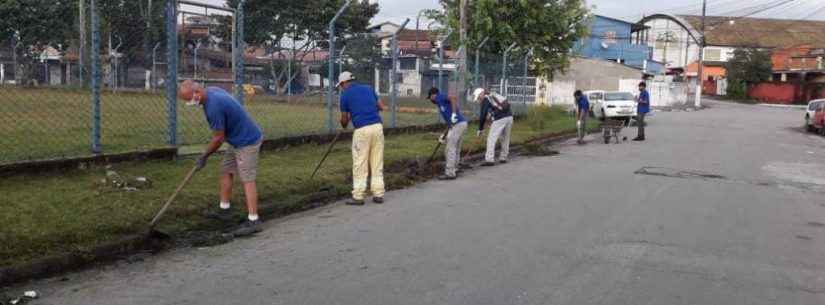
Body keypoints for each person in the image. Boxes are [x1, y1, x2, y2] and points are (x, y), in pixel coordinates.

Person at [178, 80, 264, 237]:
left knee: (247, 178)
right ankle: (225, 209)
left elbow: (218, 138)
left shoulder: (213, 107)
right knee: (226, 170)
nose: (190, 103)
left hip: (247, 141)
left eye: (189, 99)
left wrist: (204, 156)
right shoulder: (211, 90)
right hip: (236, 139)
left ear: (197, 92)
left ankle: (254, 220)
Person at [338, 71, 388, 206]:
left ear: (344, 83)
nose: (341, 88)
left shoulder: (345, 95)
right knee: (377, 162)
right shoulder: (369, 88)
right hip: (377, 127)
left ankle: (358, 196)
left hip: (362, 130)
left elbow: (344, 119)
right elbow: (381, 107)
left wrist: (344, 123)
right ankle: (378, 193)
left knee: (360, 163)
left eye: (341, 85)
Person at [428, 87, 467, 180]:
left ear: (433, 95)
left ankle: (450, 173)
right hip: (460, 124)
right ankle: (455, 168)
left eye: (430, 97)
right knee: (456, 147)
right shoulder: (440, 102)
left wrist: (454, 114)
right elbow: (450, 122)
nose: (430, 100)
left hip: (458, 124)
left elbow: (453, 98)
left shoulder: (439, 97)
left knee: (450, 148)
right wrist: (444, 135)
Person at [473, 88, 513, 166]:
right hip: (509, 117)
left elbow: (483, 116)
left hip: (500, 118)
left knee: (491, 139)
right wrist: (491, 117)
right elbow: (496, 108)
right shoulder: (493, 95)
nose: (478, 99)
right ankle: (503, 157)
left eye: (478, 97)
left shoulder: (485, 99)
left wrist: (480, 129)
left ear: (481, 93)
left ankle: (489, 159)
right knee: (505, 138)